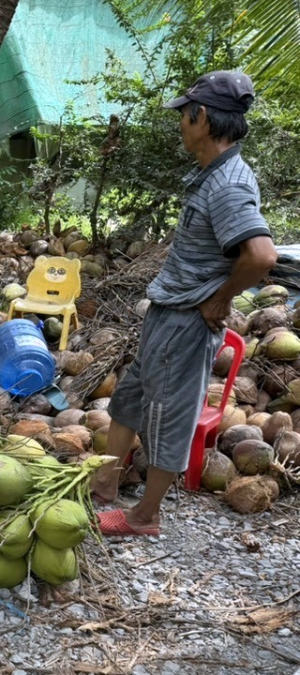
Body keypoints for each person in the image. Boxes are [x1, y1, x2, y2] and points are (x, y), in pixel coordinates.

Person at [91, 71, 278, 536]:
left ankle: (144, 516)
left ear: (202, 118)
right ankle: (103, 488)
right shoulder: (211, 173)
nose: (180, 122)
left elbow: (261, 256)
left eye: (184, 114)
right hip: (167, 313)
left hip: (186, 322)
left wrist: (220, 299)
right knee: (131, 398)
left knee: (168, 415)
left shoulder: (229, 184)